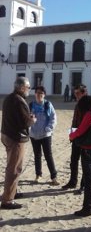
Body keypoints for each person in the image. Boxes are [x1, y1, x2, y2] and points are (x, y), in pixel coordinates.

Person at [1, 76, 36, 209]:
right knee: (14, 168)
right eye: (28, 87)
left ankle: (12, 192)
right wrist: (32, 120)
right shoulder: (19, 101)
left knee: (12, 166)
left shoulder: (9, 98)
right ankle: (7, 200)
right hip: (15, 138)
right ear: (21, 87)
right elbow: (25, 122)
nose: (29, 90)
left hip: (6, 134)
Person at [29, 86, 59, 185]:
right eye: (37, 93)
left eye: (41, 93)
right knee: (37, 155)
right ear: (35, 94)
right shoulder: (31, 105)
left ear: (44, 94)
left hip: (46, 135)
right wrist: (29, 128)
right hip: (34, 134)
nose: (39, 95)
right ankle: (38, 175)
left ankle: (53, 177)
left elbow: (53, 118)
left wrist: (48, 128)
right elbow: (26, 118)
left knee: (48, 155)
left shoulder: (47, 104)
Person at [62, 84, 87, 192]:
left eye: (77, 93)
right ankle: (73, 182)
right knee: (73, 161)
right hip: (76, 136)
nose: (75, 95)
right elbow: (75, 121)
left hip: (85, 138)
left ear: (83, 93)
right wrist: (71, 134)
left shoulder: (88, 105)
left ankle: (84, 184)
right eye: (75, 93)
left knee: (85, 162)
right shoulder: (78, 104)